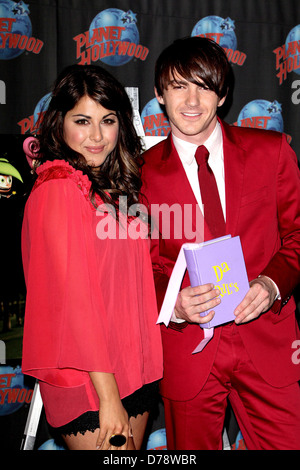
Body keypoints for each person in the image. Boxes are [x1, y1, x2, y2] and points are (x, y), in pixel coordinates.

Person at [141, 36, 300, 450]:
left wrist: (271, 285)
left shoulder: (272, 151)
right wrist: (173, 302)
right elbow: (138, 266)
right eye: (178, 86)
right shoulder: (140, 175)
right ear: (159, 94)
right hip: (187, 349)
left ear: (223, 94)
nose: (192, 100)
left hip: (267, 339)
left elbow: (298, 236)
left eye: (205, 86)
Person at [21, 64, 163, 450]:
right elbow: (74, 303)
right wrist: (108, 397)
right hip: (90, 382)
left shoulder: (110, 189)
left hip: (133, 369)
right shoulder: (59, 188)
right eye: (82, 120)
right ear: (59, 123)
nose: (97, 136)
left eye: (108, 120)